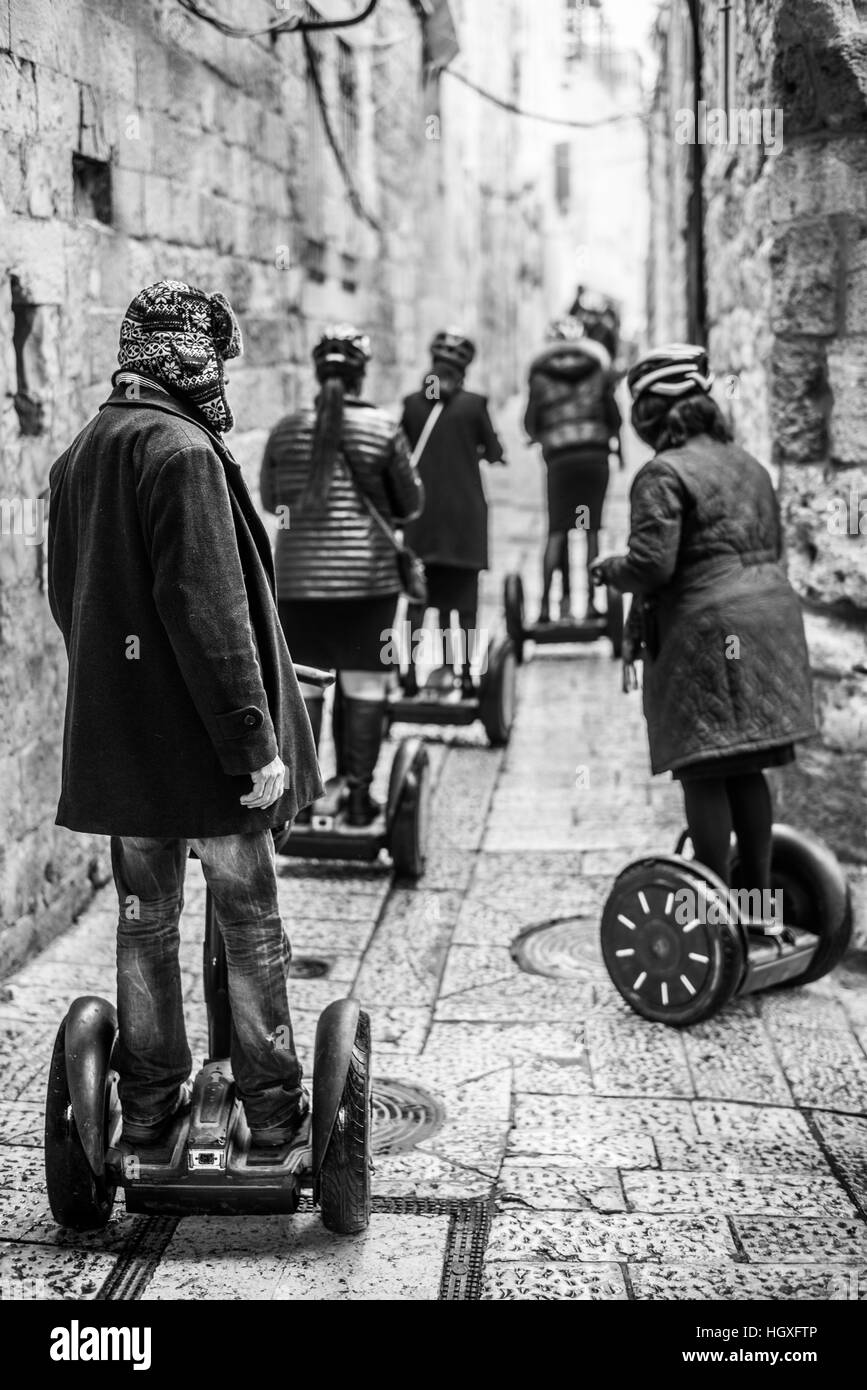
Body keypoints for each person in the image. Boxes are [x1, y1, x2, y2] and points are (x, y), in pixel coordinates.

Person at [47, 279, 322, 1152]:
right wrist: (254, 743)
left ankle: (154, 1103)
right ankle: (276, 1106)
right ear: (189, 361)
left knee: (144, 919)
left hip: (125, 748)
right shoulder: (182, 454)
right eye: (217, 362)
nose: (224, 382)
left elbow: (67, 599)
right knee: (249, 919)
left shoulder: (83, 451)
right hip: (207, 751)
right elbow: (211, 614)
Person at [590, 343, 816, 901]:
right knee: (746, 767)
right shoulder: (750, 465)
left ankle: (715, 905)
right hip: (770, 626)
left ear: (650, 416)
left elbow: (652, 565)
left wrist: (608, 569)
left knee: (704, 769)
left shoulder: (662, 473)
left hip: (706, 632)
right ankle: (756, 905)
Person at [260, 324, 423, 826]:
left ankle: (304, 804)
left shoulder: (287, 429)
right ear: (361, 376)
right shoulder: (382, 428)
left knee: (305, 687)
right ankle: (357, 797)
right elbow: (410, 503)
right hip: (368, 584)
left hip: (298, 583)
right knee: (365, 686)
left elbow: (270, 500)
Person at [400, 330, 506, 697]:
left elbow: (401, 455)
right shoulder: (474, 405)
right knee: (465, 604)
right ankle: (464, 673)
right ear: (463, 370)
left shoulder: (412, 404)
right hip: (465, 521)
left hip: (423, 520)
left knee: (419, 600)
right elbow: (493, 451)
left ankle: (410, 674)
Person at [524, 316, 622, 624]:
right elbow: (614, 417)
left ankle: (544, 607)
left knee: (557, 531)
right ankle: (593, 602)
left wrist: (542, 436)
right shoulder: (598, 370)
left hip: (561, 462)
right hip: (594, 459)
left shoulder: (539, 376)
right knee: (590, 529)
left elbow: (530, 423)